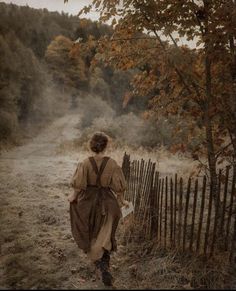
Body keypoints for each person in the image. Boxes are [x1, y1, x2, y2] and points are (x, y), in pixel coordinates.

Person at [68, 132, 129, 287]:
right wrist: (122, 201)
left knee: (91, 231)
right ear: (105, 145)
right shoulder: (113, 164)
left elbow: (77, 188)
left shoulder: (85, 163)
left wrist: (73, 197)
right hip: (108, 203)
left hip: (88, 202)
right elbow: (119, 190)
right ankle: (105, 264)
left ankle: (99, 263)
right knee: (106, 233)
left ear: (92, 145)